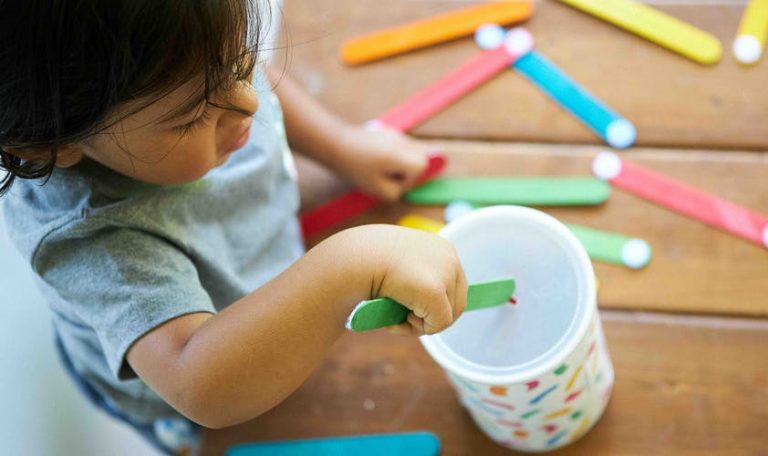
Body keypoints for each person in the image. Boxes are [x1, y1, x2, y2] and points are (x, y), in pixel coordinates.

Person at [0, 1, 467, 454]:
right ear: (53, 146)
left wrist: (342, 147)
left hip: (257, 256)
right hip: (204, 391)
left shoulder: (197, 72)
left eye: (240, 59)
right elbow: (201, 386)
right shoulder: (91, 237)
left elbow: (239, 82)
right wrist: (351, 262)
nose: (248, 102)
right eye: (191, 117)